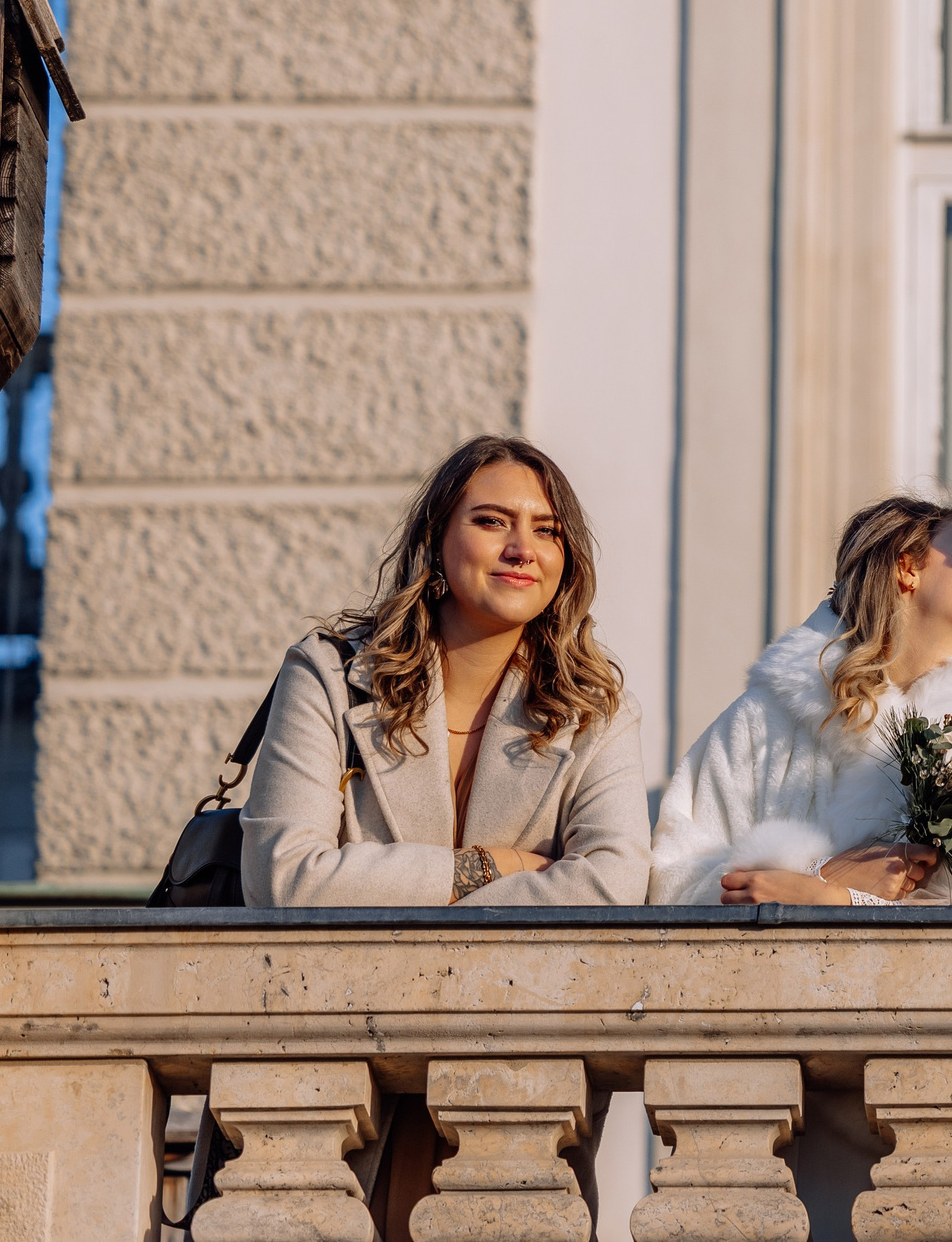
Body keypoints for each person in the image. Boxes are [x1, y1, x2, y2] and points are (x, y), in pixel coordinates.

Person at [236, 434, 651, 1236]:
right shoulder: (327, 672)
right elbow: (283, 877)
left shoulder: (599, 709)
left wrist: (363, 878)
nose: (523, 546)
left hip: (515, 1088)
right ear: (437, 539)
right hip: (335, 1083)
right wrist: (481, 869)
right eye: (493, 520)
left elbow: (611, 883)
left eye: (547, 528)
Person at [648, 496, 952, 908]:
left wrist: (837, 897)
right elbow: (674, 878)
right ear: (907, 567)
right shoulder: (767, 717)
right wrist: (820, 872)